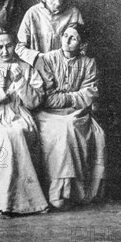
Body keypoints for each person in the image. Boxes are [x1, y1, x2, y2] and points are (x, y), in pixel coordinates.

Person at [0, 27, 48, 217]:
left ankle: (14, 201)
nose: (5, 51)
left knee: (16, 132)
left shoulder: (26, 68)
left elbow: (36, 101)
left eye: (9, 46)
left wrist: (20, 81)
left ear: (15, 46)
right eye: (0, 47)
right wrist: (1, 91)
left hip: (19, 114)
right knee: (3, 133)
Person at [36, 23, 105, 208]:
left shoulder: (89, 63)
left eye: (73, 38)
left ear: (82, 44)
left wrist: (65, 98)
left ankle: (73, 192)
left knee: (74, 128)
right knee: (62, 131)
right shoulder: (47, 59)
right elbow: (48, 98)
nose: (66, 41)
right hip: (48, 115)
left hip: (77, 113)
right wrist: (74, 97)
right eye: (65, 35)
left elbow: (90, 93)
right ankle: (57, 192)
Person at [16, 0, 83, 69]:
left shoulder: (73, 13)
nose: (58, 3)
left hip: (66, 68)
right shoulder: (32, 13)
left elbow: (82, 46)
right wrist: (38, 58)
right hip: (37, 68)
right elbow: (19, 48)